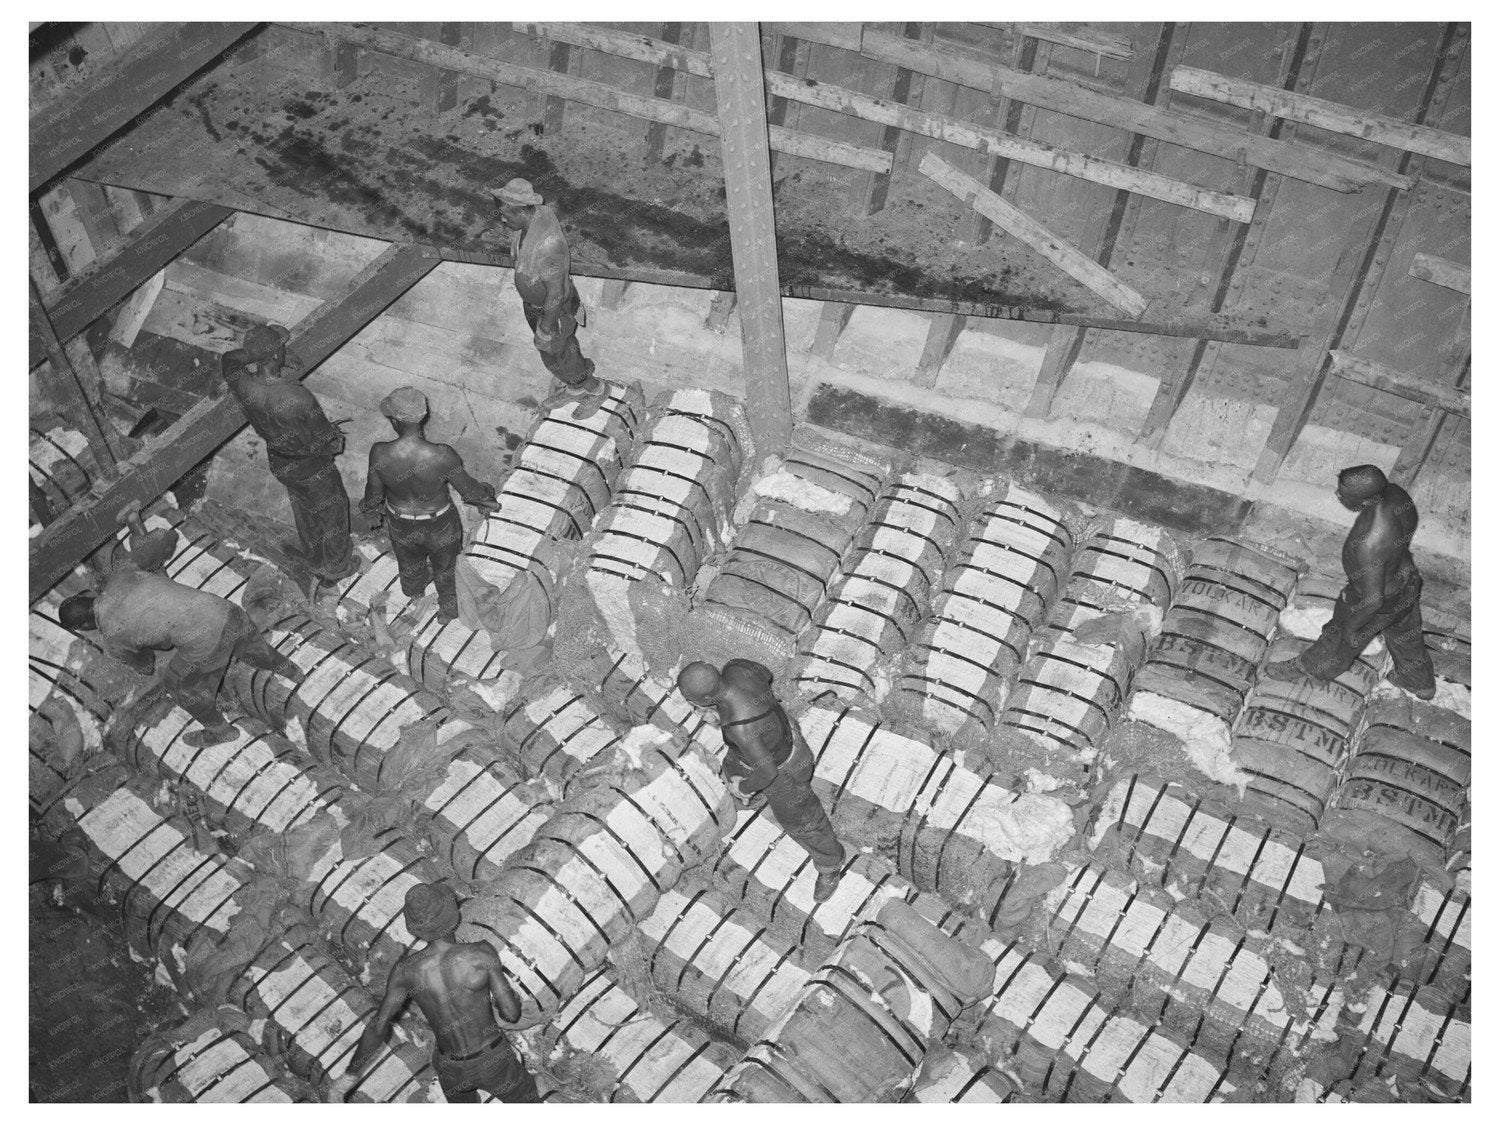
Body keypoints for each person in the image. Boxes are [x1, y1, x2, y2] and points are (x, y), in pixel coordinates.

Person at [57, 504, 301, 747]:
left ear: (85, 626)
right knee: (251, 647)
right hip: (227, 611)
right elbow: (155, 544)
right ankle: (290, 670)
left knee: (181, 686)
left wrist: (140, 650)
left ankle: (221, 732)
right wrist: (136, 527)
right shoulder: (119, 577)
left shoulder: (112, 637)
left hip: (208, 643)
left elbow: (146, 665)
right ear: (87, 595)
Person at [328, 883, 540, 1103]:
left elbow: (378, 1027)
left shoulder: (404, 971)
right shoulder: (480, 953)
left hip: (451, 1069)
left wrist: (346, 1080)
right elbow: (511, 1014)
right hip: (493, 1061)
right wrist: (506, 998)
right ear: (454, 916)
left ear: (416, 928)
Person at [678, 658, 847, 903]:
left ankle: (831, 863)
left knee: (801, 820)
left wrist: (744, 786)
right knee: (732, 766)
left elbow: (768, 773)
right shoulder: (736, 669)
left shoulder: (739, 727)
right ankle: (745, 800)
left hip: (782, 768)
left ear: (704, 702)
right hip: (775, 734)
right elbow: (766, 674)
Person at [1265, 464, 1436, 700]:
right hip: (1407, 584)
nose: (1338, 495)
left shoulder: (1369, 544)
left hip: (1378, 600)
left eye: (1344, 494)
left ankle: (1311, 667)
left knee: (1337, 638)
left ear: (1366, 501)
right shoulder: (1396, 495)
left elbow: (1372, 601)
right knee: (1406, 634)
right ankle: (1419, 681)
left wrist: (1351, 629)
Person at [221, 323, 358, 587]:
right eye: (281, 348)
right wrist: (333, 436)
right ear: (275, 355)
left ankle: (316, 561)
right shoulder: (298, 397)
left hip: (280, 462)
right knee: (333, 510)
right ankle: (337, 569)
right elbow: (322, 436)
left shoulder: (241, 383)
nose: (285, 350)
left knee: (305, 509)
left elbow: (228, 358)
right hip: (312, 467)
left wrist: (259, 354)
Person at [360, 387, 499, 622]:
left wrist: (369, 510)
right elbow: (470, 492)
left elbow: (373, 496)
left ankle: (414, 592)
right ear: (422, 416)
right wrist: (487, 494)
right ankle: (448, 610)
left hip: (400, 522)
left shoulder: (379, 453)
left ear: (395, 420)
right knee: (446, 569)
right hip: (439, 524)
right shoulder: (442, 454)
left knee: (408, 561)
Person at [493, 177, 608, 419]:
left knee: (553, 353)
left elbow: (556, 294)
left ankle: (594, 389)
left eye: (507, 215)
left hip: (554, 311)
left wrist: (545, 329)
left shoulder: (547, 246)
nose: (503, 220)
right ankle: (575, 387)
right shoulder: (529, 222)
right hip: (536, 305)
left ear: (523, 212)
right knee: (563, 348)